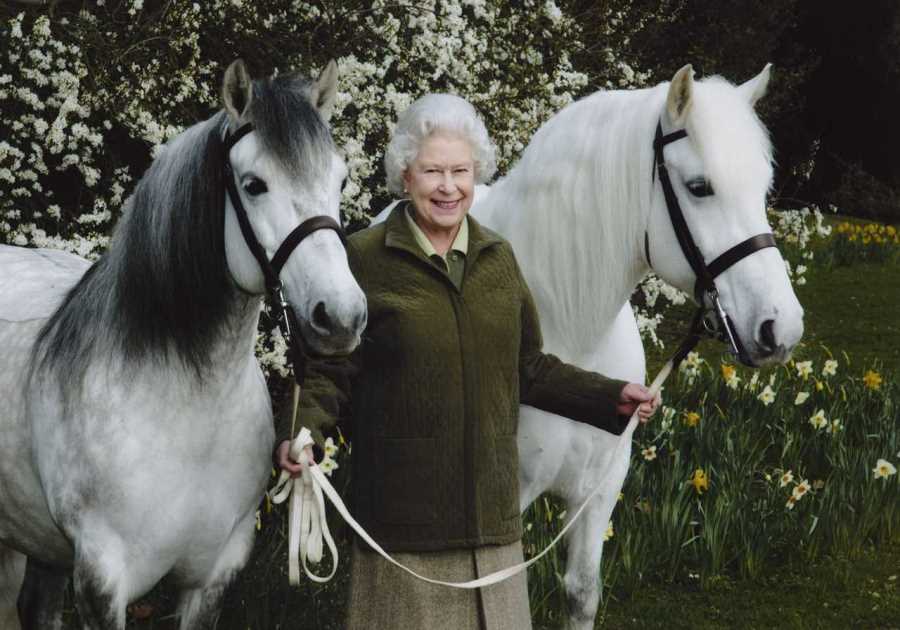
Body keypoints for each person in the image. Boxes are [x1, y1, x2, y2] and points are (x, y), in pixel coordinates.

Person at [274, 93, 659, 630]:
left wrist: (608, 396)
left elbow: (528, 368)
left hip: (494, 532)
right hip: (404, 534)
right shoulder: (363, 257)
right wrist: (305, 431)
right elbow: (332, 369)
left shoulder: (499, 259)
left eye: (460, 170)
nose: (448, 186)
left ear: (477, 174)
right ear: (404, 176)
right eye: (432, 170)